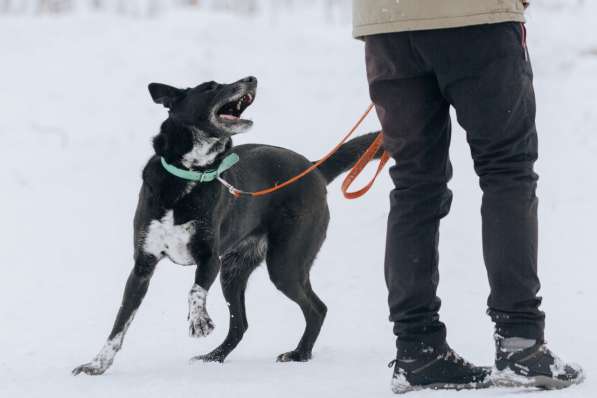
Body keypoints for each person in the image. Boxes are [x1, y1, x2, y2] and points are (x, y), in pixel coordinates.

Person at [352, 0, 584, 393]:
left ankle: (417, 347)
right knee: (507, 171)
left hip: (386, 27)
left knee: (414, 183)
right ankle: (520, 342)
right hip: (477, 19)